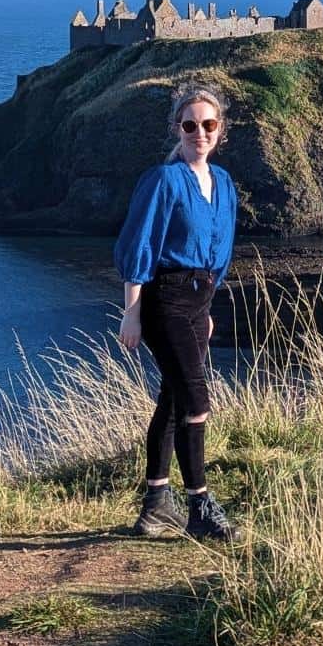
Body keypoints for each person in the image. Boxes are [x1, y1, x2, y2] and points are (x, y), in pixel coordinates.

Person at [114, 82, 242, 541]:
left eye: (208, 124)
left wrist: (207, 307)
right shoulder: (165, 180)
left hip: (197, 300)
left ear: (220, 130)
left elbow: (217, 251)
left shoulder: (223, 184)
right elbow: (139, 244)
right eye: (190, 125)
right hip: (163, 298)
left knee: (172, 400)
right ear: (177, 128)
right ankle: (200, 506)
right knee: (196, 400)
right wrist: (132, 311)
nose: (199, 132)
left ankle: (155, 506)